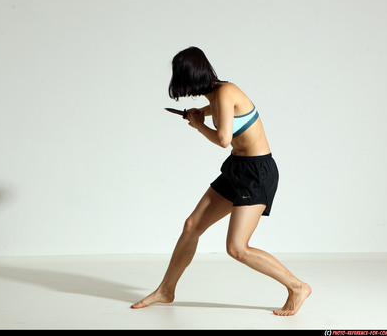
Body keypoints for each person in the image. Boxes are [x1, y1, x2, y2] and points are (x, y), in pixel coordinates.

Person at [131, 47, 311, 316]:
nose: (179, 83)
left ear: (192, 74)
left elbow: (223, 140)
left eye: (180, 76)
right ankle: (166, 290)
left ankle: (297, 287)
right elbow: (220, 111)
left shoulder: (226, 91)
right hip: (237, 168)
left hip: (257, 172)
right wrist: (201, 112)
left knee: (237, 248)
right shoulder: (215, 95)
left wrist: (199, 126)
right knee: (191, 226)